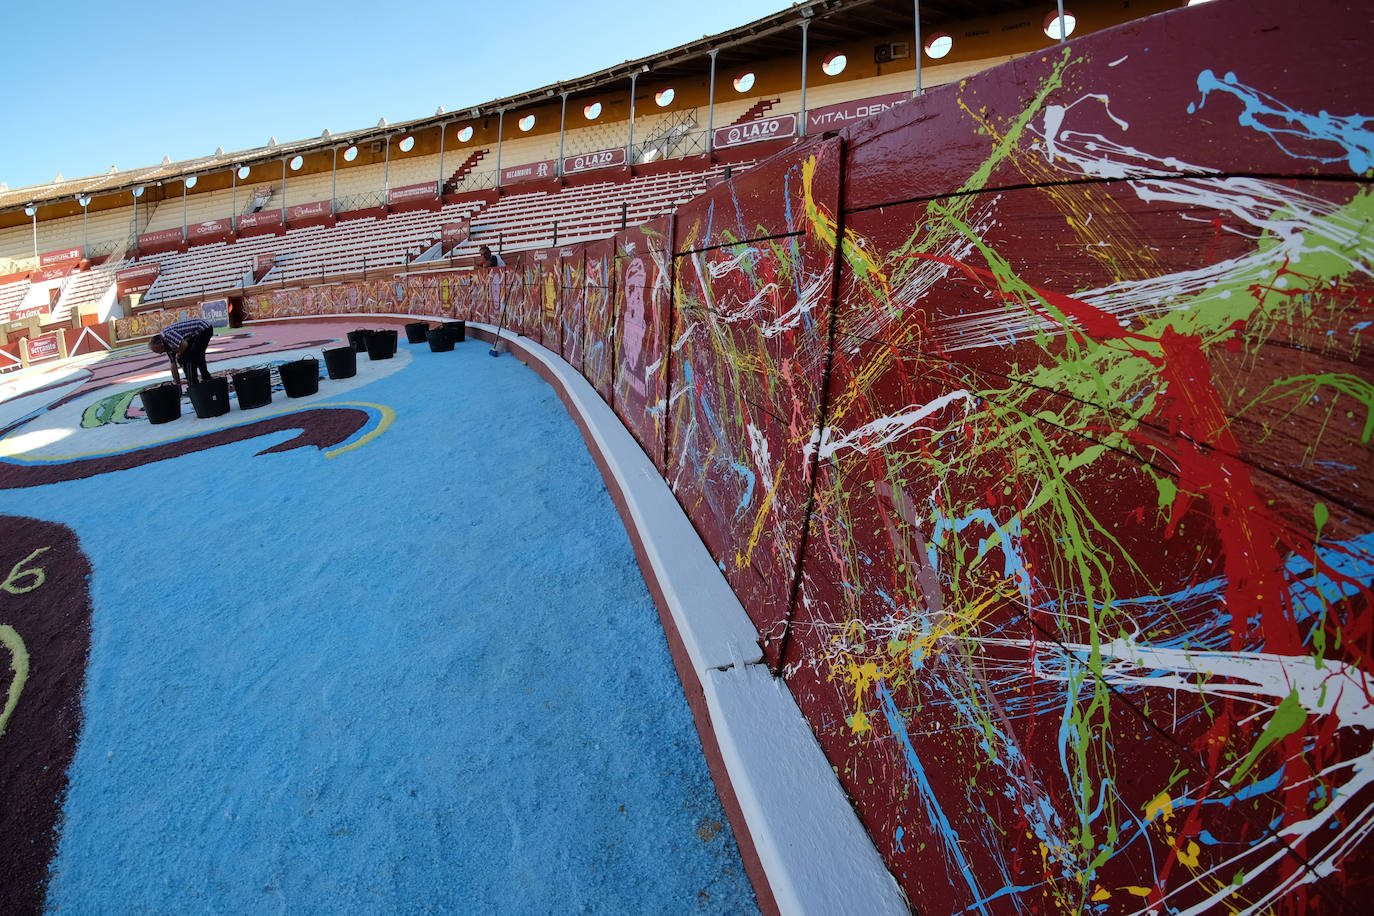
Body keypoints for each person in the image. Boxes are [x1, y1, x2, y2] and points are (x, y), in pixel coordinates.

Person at [148, 317, 215, 387]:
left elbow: (184, 345)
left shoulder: (168, 335)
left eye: (158, 351)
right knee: (196, 355)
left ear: (160, 343)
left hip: (202, 328)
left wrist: (178, 354)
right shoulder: (166, 346)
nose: (160, 353)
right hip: (195, 334)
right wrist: (177, 384)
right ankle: (205, 379)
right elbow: (173, 365)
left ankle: (194, 383)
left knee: (189, 356)